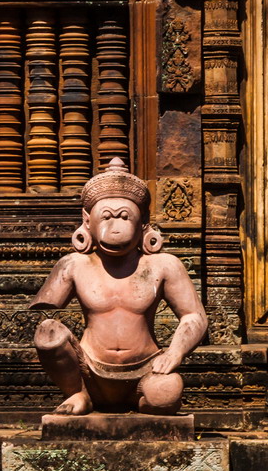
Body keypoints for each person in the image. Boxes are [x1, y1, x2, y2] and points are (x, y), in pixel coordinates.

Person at [31, 158, 208, 415]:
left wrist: (175, 353)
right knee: (48, 332)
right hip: (88, 369)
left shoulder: (164, 265)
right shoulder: (74, 264)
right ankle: (78, 393)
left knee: (167, 393)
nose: (115, 229)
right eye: (106, 217)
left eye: (125, 216)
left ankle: (140, 399)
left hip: (146, 369)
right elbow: (45, 312)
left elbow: (194, 316)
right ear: (87, 220)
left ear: (143, 220)